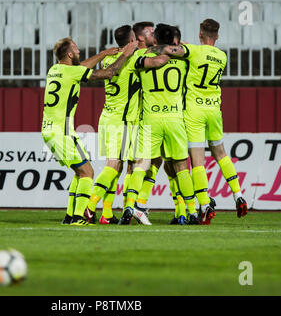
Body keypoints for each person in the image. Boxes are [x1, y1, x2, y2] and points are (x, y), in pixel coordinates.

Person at [81, 25, 173, 225]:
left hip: (107, 117)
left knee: (118, 165)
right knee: (114, 165)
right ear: (131, 41)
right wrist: (173, 51)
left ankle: (106, 214)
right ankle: (88, 207)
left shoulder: (108, 59)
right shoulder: (132, 59)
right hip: (122, 121)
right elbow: (156, 62)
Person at [41, 37, 138, 226]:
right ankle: (79, 217)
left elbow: (81, 67)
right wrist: (126, 54)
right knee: (87, 173)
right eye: (76, 50)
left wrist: (103, 54)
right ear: (69, 54)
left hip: (51, 129)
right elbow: (110, 73)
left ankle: (70, 215)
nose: (79, 52)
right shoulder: (72, 72)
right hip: (62, 131)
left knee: (80, 171)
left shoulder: (55, 70)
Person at [165, 19, 248, 223]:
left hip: (195, 111)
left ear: (200, 34)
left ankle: (204, 204)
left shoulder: (192, 51)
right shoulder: (222, 56)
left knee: (198, 161)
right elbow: (192, 49)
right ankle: (238, 194)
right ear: (217, 36)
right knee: (221, 154)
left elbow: (176, 50)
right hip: (214, 110)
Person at [119, 24, 197, 226]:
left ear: (155, 38)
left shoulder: (140, 57)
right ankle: (191, 212)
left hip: (150, 119)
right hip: (174, 119)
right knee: (181, 168)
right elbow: (189, 49)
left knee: (141, 165)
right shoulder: (184, 61)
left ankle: (130, 205)